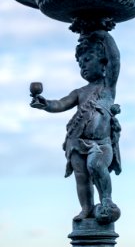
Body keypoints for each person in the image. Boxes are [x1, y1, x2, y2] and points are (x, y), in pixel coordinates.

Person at [30, 30, 121, 221]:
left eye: (87, 60)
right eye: (80, 64)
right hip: (77, 142)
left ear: (102, 61)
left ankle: (106, 200)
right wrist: (45, 103)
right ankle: (86, 208)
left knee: (95, 165)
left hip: (101, 144)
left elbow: (115, 59)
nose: (83, 66)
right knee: (81, 176)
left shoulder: (107, 86)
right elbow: (61, 104)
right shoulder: (79, 92)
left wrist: (104, 36)